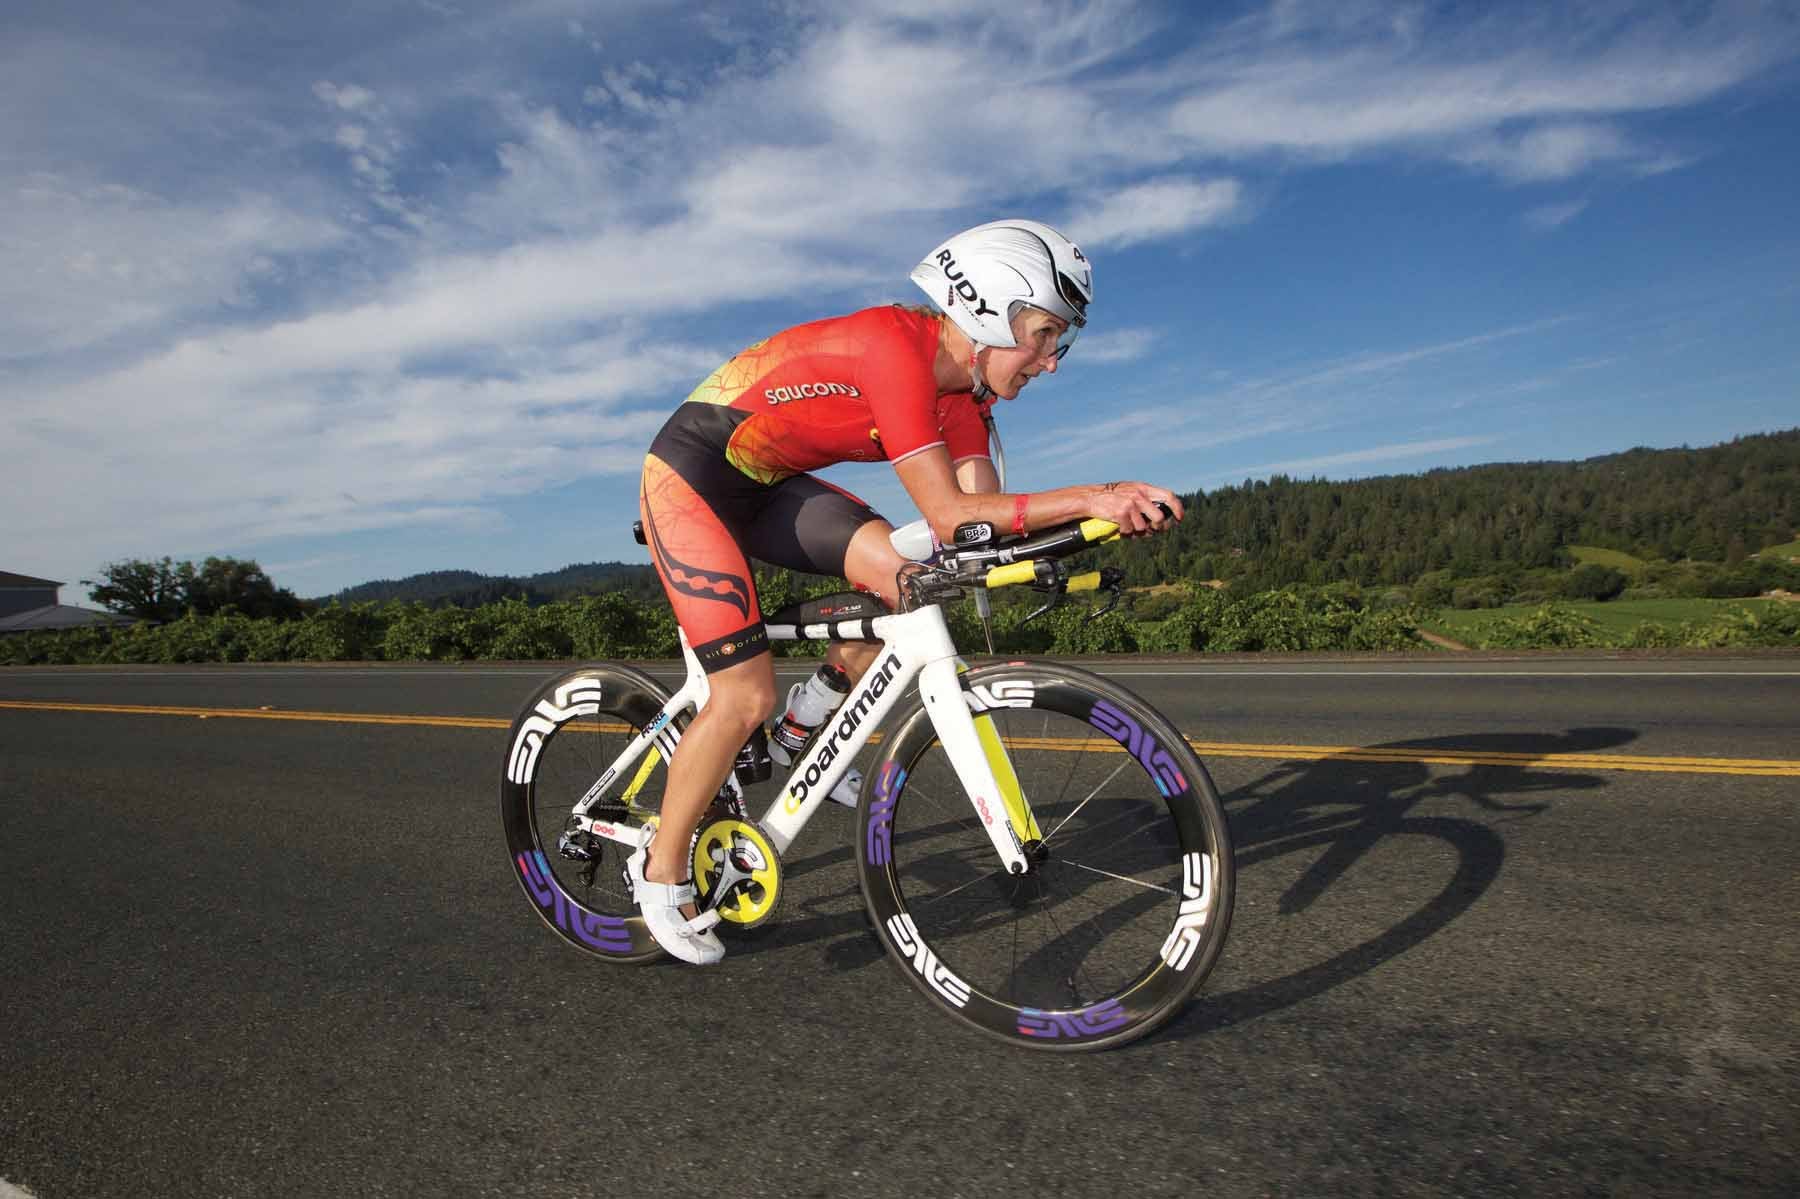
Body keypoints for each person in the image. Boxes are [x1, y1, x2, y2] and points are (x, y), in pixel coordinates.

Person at [631, 218, 1185, 963]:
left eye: (1061, 341)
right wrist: (1096, 494)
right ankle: (660, 873)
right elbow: (953, 512)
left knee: (909, 583)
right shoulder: (893, 349)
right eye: (1045, 334)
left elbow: (972, 536)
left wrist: (1092, 533)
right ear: (992, 308)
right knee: (743, 694)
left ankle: (811, 724)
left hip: (768, 484)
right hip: (691, 476)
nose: (1050, 362)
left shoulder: (965, 400)